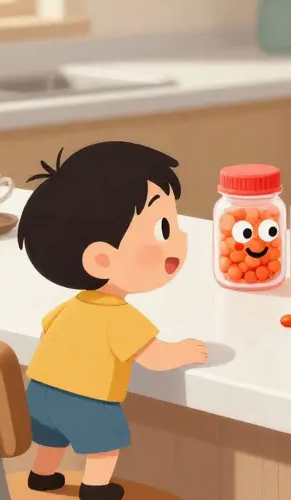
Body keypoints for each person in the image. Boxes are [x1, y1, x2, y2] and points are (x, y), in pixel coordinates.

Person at [18, 142, 208, 500]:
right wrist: (185, 352)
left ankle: (42, 476)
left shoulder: (71, 305)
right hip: (85, 401)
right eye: (163, 229)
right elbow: (155, 359)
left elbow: (46, 333)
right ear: (102, 259)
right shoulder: (120, 317)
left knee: (51, 440)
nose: (179, 239)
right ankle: (95, 487)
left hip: (40, 392)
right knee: (104, 447)